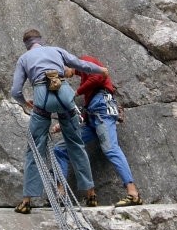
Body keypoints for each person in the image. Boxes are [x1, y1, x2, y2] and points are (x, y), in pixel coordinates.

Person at [10, 29, 109, 214]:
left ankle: (26, 201)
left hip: (42, 100)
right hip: (64, 96)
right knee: (76, 145)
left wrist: (26, 103)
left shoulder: (24, 59)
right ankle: (91, 194)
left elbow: (15, 91)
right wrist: (100, 70)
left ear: (27, 44)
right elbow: (81, 65)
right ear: (41, 40)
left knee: (34, 149)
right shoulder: (56, 51)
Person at [53, 56, 143, 207]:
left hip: (102, 110)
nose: (63, 77)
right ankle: (65, 192)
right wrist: (64, 125)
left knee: (111, 149)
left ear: (66, 65)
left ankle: (133, 193)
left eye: (61, 73)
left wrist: (75, 93)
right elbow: (87, 110)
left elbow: (100, 76)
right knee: (61, 148)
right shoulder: (83, 77)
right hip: (93, 118)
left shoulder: (85, 61)